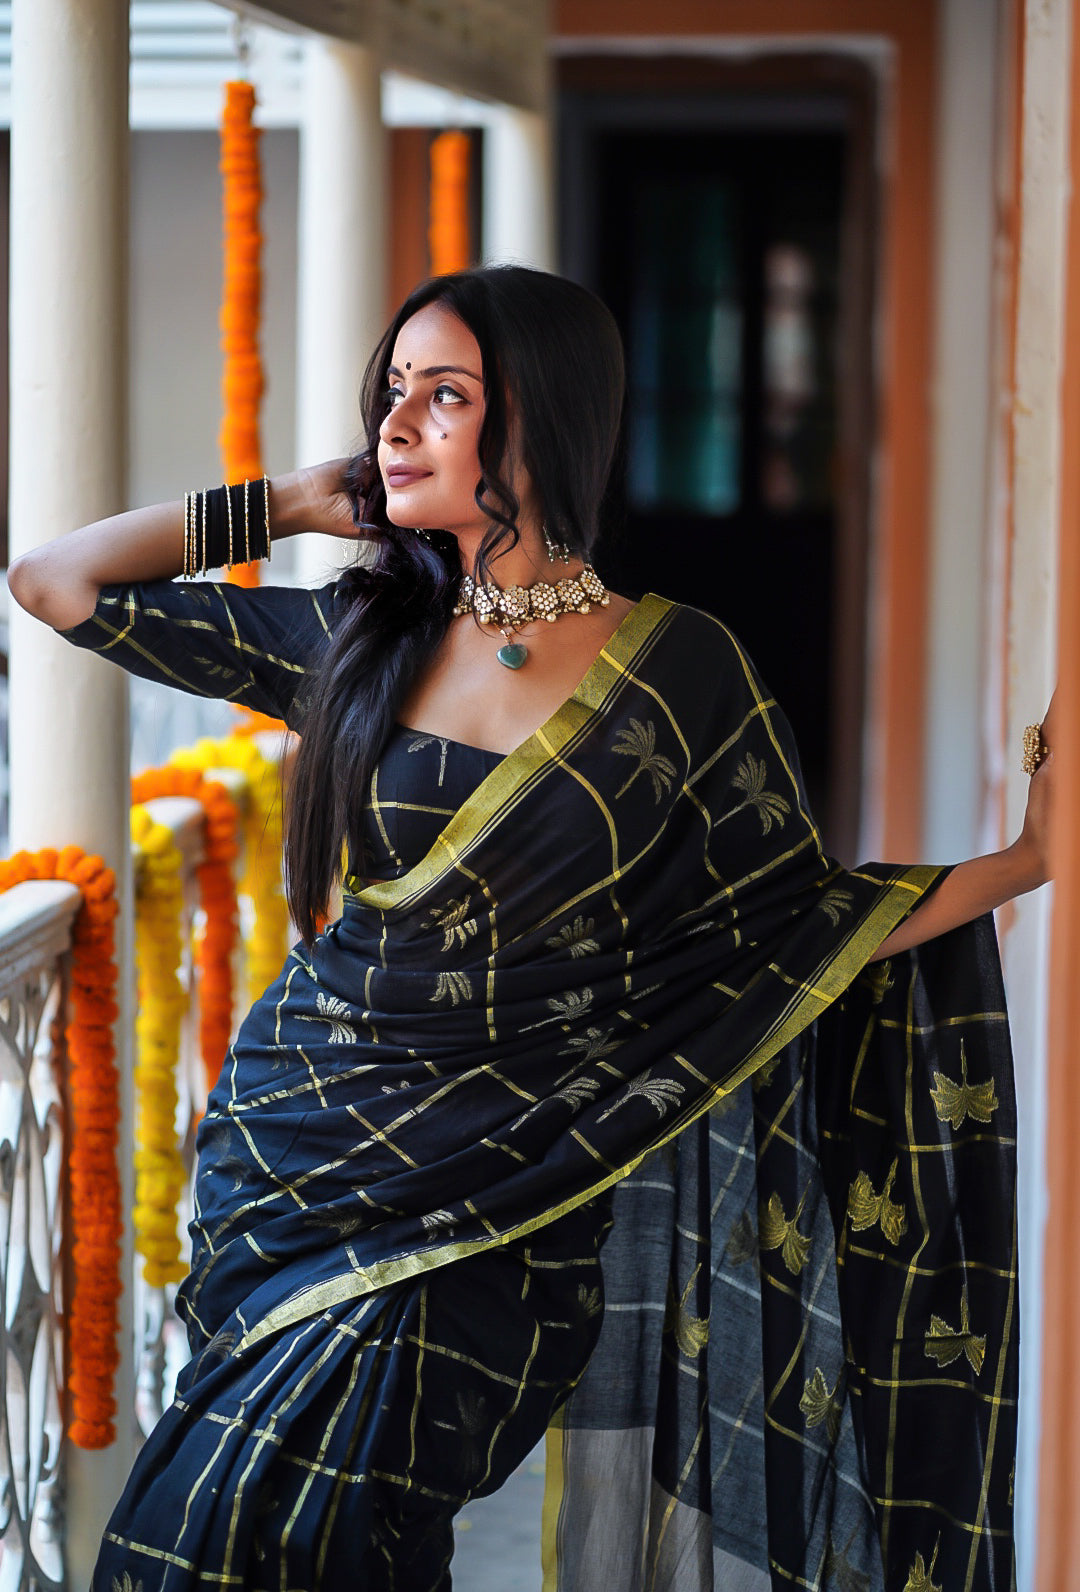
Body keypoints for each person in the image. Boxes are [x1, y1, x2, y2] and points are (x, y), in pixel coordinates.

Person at [9, 265, 1052, 1591]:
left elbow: (795, 930)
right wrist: (291, 501)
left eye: (444, 396)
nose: (397, 425)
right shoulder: (355, 638)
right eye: (393, 392)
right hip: (297, 1150)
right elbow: (55, 583)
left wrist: (1025, 863)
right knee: (207, 1534)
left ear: (545, 418)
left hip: (513, 1194)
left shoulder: (682, 675)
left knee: (333, 1532)